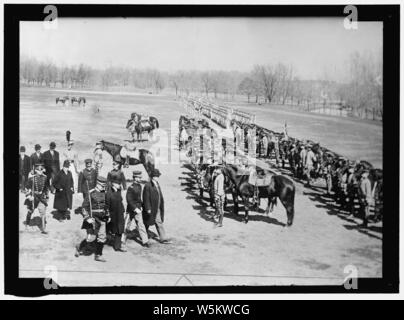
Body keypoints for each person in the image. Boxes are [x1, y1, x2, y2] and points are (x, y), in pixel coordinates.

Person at [75, 176, 109, 262]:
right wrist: (87, 218)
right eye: (102, 185)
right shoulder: (91, 194)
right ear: (97, 184)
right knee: (90, 238)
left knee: (102, 237)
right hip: (93, 219)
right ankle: (79, 247)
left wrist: (108, 215)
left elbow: (106, 206)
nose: (103, 187)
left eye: (104, 186)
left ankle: (98, 255)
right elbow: (84, 207)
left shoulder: (105, 193)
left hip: (102, 218)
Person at [142, 168, 170, 244]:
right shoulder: (147, 185)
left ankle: (163, 238)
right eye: (156, 176)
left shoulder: (157, 184)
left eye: (158, 176)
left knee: (159, 221)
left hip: (157, 207)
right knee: (147, 223)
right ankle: (144, 236)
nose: (157, 177)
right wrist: (148, 208)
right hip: (151, 208)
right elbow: (146, 198)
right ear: (152, 177)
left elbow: (160, 195)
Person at [124, 171, 149, 248]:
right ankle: (122, 239)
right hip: (131, 210)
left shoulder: (139, 186)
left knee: (141, 225)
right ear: (134, 178)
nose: (139, 179)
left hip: (138, 209)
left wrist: (140, 206)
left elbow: (139, 198)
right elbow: (129, 199)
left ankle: (145, 241)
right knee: (126, 225)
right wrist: (135, 208)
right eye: (138, 177)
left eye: (140, 177)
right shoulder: (130, 188)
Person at [23, 163, 49, 234]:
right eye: (38, 170)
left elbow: (46, 188)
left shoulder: (45, 178)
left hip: (41, 198)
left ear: (43, 170)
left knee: (43, 213)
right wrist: (29, 196)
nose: (40, 172)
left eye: (41, 170)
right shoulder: (32, 179)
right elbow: (25, 188)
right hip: (33, 197)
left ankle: (43, 229)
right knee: (30, 211)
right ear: (36, 171)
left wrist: (47, 196)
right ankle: (27, 224)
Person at [106, 179, 126, 252]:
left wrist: (123, 210)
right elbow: (107, 205)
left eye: (119, 184)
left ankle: (117, 246)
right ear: (113, 184)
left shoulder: (118, 191)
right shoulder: (109, 193)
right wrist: (108, 216)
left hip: (120, 213)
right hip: (113, 215)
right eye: (118, 184)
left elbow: (120, 201)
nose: (119, 185)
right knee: (109, 228)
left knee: (119, 229)